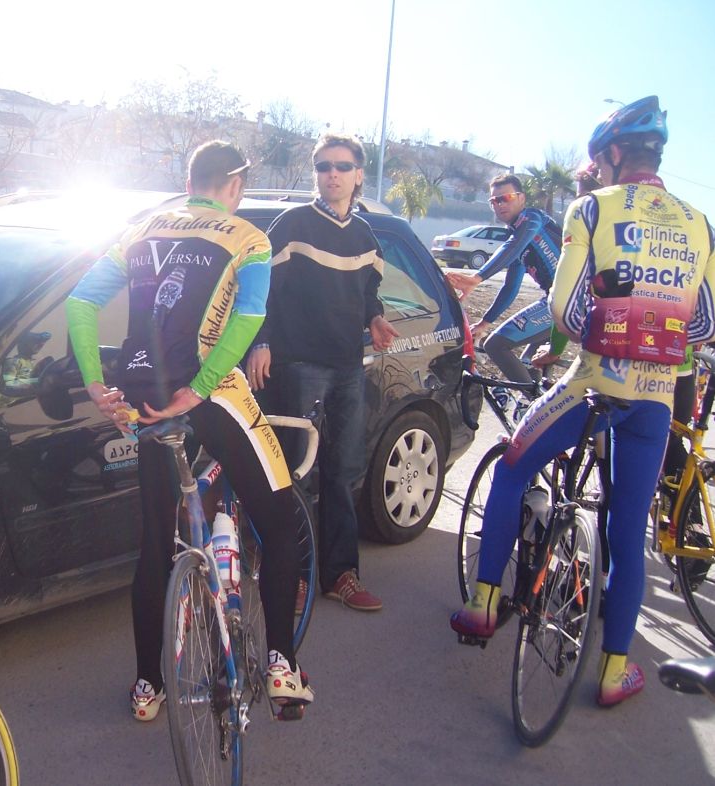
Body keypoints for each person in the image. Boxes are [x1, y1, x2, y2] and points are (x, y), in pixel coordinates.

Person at [450, 95, 715, 706]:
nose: (594, 169)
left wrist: (605, 328)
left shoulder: (592, 208)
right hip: (655, 400)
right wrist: (653, 330)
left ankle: (484, 604)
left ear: (614, 154)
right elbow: (703, 324)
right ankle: (614, 672)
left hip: (594, 383)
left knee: (513, 465)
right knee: (626, 531)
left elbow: (565, 311)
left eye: (598, 159)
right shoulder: (698, 222)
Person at [66, 140, 313, 721]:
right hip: (208, 392)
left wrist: (96, 384)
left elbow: (80, 303)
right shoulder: (247, 238)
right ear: (236, 186)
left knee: (156, 541)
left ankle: (146, 687)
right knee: (279, 520)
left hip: (142, 394)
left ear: (188, 182)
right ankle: (281, 663)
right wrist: (200, 388)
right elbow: (249, 316)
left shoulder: (141, 230)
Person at [246, 133, 399, 612]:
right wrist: (261, 342)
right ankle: (290, 576)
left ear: (358, 174)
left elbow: (367, 292)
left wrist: (375, 318)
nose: (331, 174)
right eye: (323, 166)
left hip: (348, 367)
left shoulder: (366, 236)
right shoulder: (292, 224)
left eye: (342, 166)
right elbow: (260, 290)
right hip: (298, 366)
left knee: (342, 472)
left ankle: (340, 576)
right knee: (295, 473)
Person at [446, 174, 562, 397]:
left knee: (495, 345)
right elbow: (510, 287)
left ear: (521, 198)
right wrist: (485, 322)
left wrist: (477, 277)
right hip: (558, 302)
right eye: (494, 201)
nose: (499, 204)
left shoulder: (533, 219)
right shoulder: (518, 236)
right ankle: (535, 405)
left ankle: (538, 410)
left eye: (505, 198)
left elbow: (513, 245)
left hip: (567, 302)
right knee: (528, 364)